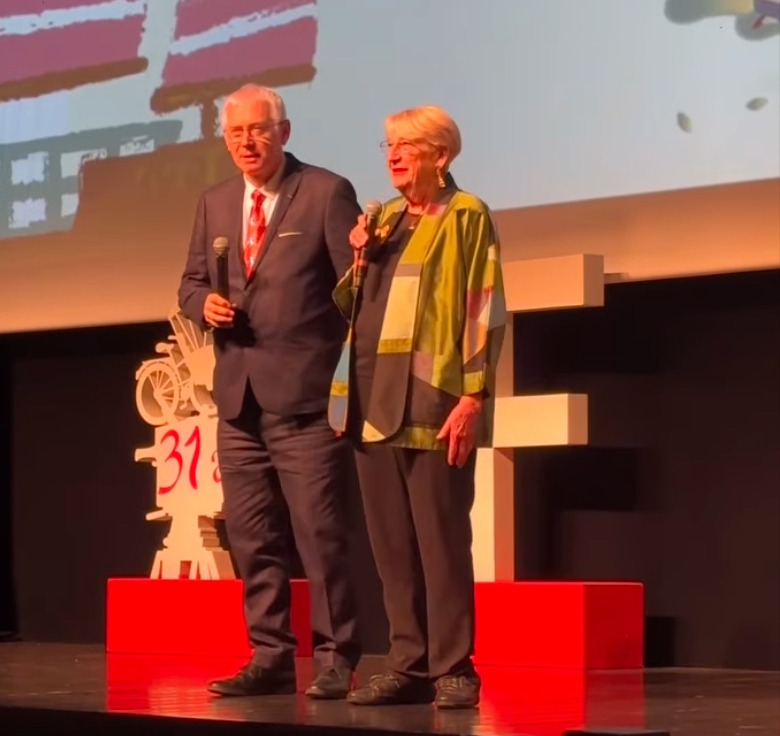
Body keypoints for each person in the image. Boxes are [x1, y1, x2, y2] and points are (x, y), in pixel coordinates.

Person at [178, 84, 361, 699]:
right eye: (235, 134)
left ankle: (336, 657)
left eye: (257, 130)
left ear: (283, 133)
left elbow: (357, 295)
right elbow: (189, 284)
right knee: (253, 537)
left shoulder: (326, 193)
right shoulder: (216, 202)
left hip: (308, 401)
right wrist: (203, 303)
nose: (247, 143)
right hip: (238, 401)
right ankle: (270, 654)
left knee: (321, 535)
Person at [327, 105, 507, 709]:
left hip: (433, 399)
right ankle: (407, 662)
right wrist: (357, 253)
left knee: (441, 540)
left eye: (409, 144)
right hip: (373, 399)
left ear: (441, 155)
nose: (394, 154)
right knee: (392, 547)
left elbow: (483, 305)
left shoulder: (465, 216)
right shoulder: (382, 221)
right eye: (389, 144)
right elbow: (354, 306)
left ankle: (455, 666)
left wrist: (474, 394)